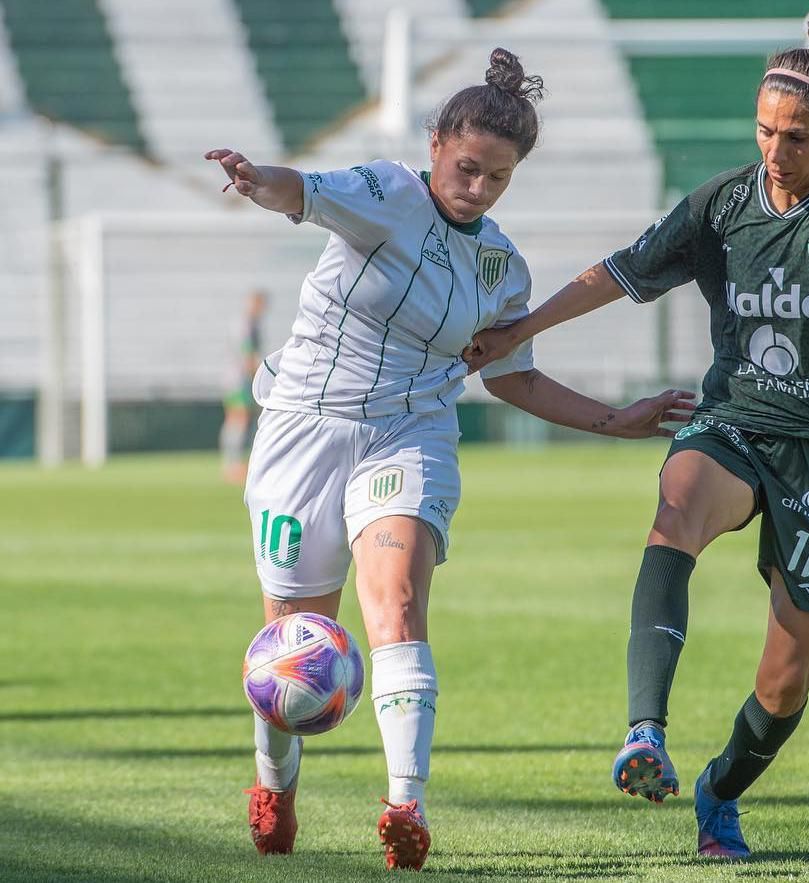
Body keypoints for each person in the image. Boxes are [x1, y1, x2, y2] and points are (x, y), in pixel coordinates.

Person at [464, 16, 809, 860]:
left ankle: (720, 790)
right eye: (763, 130)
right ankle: (643, 732)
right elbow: (619, 271)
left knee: (785, 683)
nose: (775, 150)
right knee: (676, 505)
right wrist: (521, 329)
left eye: (796, 137)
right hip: (733, 419)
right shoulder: (722, 204)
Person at [205, 48, 693, 870]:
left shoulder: (502, 268)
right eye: (468, 168)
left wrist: (619, 421)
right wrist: (258, 182)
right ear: (436, 145)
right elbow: (304, 192)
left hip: (409, 432)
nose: (479, 187)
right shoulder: (386, 192)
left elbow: (515, 378)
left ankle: (406, 805)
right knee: (291, 638)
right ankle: (275, 787)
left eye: (498, 177)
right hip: (303, 427)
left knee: (396, 599)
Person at [220, 289, 268, 484]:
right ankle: (233, 465)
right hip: (238, 380)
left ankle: (233, 463)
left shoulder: (249, 323)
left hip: (236, 378)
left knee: (236, 419)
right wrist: (260, 375)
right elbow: (247, 354)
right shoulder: (246, 324)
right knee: (238, 418)